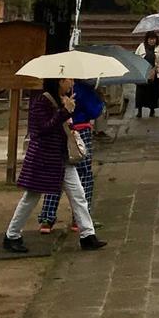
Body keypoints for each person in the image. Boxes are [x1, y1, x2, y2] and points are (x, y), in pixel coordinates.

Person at [3, 79, 105, 252]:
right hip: (43, 157)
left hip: (61, 157)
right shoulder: (42, 101)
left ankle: (88, 235)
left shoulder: (63, 98)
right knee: (31, 197)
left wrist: (68, 110)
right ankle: (12, 235)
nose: (71, 82)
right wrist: (65, 112)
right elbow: (42, 128)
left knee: (78, 194)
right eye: (67, 79)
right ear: (58, 82)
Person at [37, 78, 102, 233]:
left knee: (56, 174)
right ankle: (78, 219)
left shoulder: (52, 92)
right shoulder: (83, 88)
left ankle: (47, 217)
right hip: (80, 130)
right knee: (84, 174)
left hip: (59, 132)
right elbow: (94, 110)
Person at [136, 33, 159, 116]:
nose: (152, 41)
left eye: (154, 39)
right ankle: (139, 110)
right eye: (150, 39)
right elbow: (136, 57)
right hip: (143, 72)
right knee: (141, 92)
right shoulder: (141, 46)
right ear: (147, 39)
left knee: (154, 92)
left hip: (155, 73)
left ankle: (152, 110)